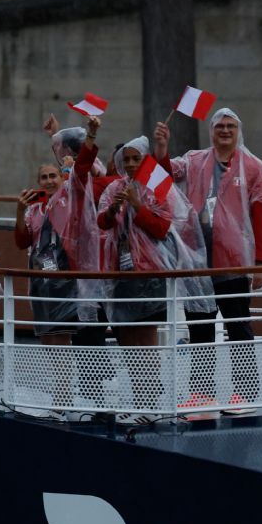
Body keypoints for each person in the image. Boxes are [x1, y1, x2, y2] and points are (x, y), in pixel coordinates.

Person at [155, 110, 262, 412]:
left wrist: (261, 263)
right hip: (198, 257)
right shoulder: (195, 160)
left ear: (238, 130)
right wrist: (161, 150)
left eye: (230, 126)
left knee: (238, 326)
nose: (224, 130)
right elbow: (163, 176)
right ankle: (202, 393)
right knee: (199, 326)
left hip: (234, 260)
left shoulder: (253, 166)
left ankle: (245, 394)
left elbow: (261, 216)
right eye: (219, 126)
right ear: (210, 131)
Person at [97, 136, 213, 416]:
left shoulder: (158, 186)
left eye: (137, 158)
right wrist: (114, 208)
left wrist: (137, 204)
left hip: (150, 272)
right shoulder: (115, 187)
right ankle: (139, 399)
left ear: (146, 159)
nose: (131, 163)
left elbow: (162, 227)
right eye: (127, 159)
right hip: (121, 272)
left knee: (145, 339)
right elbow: (101, 222)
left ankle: (149, 404)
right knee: (126, 337)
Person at [15, 115, 104, 410]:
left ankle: (70, 399)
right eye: (44, 178)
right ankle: (60, 396)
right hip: (42, 280)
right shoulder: (35, 210)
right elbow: (22, 242)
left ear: (62, 178)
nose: (50, 181)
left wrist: (89, 136)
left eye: (54, 176)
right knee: (49, 342)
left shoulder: (71, 197)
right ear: (38, 182)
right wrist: (19, 211)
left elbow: (81, 167)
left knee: (65, 340)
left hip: (66, 278)